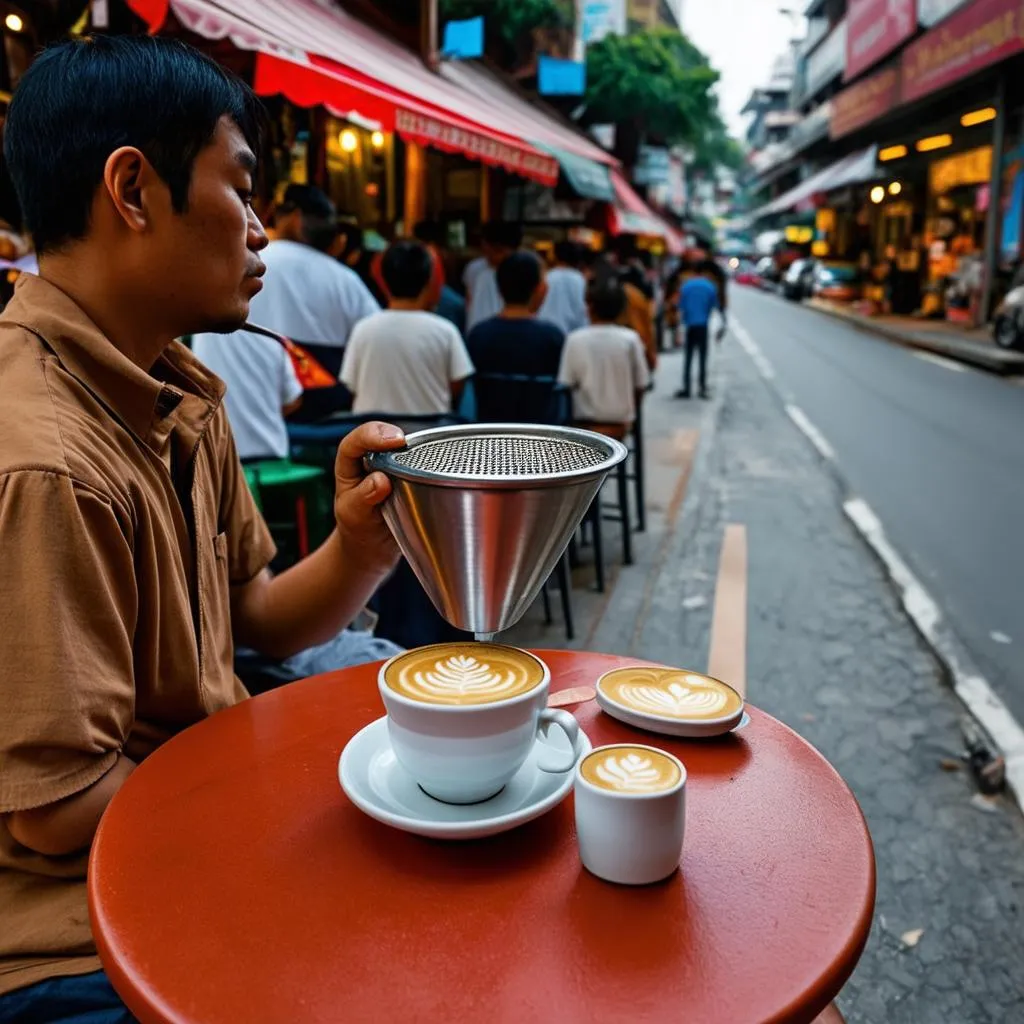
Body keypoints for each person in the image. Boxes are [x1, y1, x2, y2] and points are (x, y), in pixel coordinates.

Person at [0, 36, 406, 1020]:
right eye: (242, 187)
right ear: (134, 191)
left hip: (180, 823)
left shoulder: (180, 390)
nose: (264, 231)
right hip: (77, 929)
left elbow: (257, 616)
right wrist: (301, 785)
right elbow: (58, 811)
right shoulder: (47, 459)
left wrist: (363, 542)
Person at [341, 240, 473, 415]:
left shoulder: (363, 329)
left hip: (374, 433)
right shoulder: (445, 331)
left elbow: (351, 384)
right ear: (429, 281)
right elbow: (457, 384)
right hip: (428, 431)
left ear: (384, 282)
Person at [191, 328, 303, 460]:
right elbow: (293, 401)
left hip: (218, 459)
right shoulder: (273, 335)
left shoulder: (203, 327)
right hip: (273, 457)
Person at [558, 279, 650, 435]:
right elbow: (641, 384)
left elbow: (566, 382)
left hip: (584, 422)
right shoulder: (630, 339)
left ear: (590, 307)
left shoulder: (575, 339)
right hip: (620, 420)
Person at [463, 221, 522, 332]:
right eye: (486, 251)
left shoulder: (522, 269)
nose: (491, 256)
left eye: (497, 251)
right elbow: (469, 301)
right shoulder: (474, 269)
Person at [677, 260, 720, 399]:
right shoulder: (709, 287)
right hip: (703, 326)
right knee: (702, 358)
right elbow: (713, 306)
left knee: (688, 358)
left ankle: (687, 388)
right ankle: (702, 388)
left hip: (690, 326)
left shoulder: (686, 286)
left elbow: (681, 307)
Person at [538, 239, 588, 335]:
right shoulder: (579, 279)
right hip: (572, 332)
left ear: (555, 256)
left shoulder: (547, 277)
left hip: (545, 329)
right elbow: (581, 308)